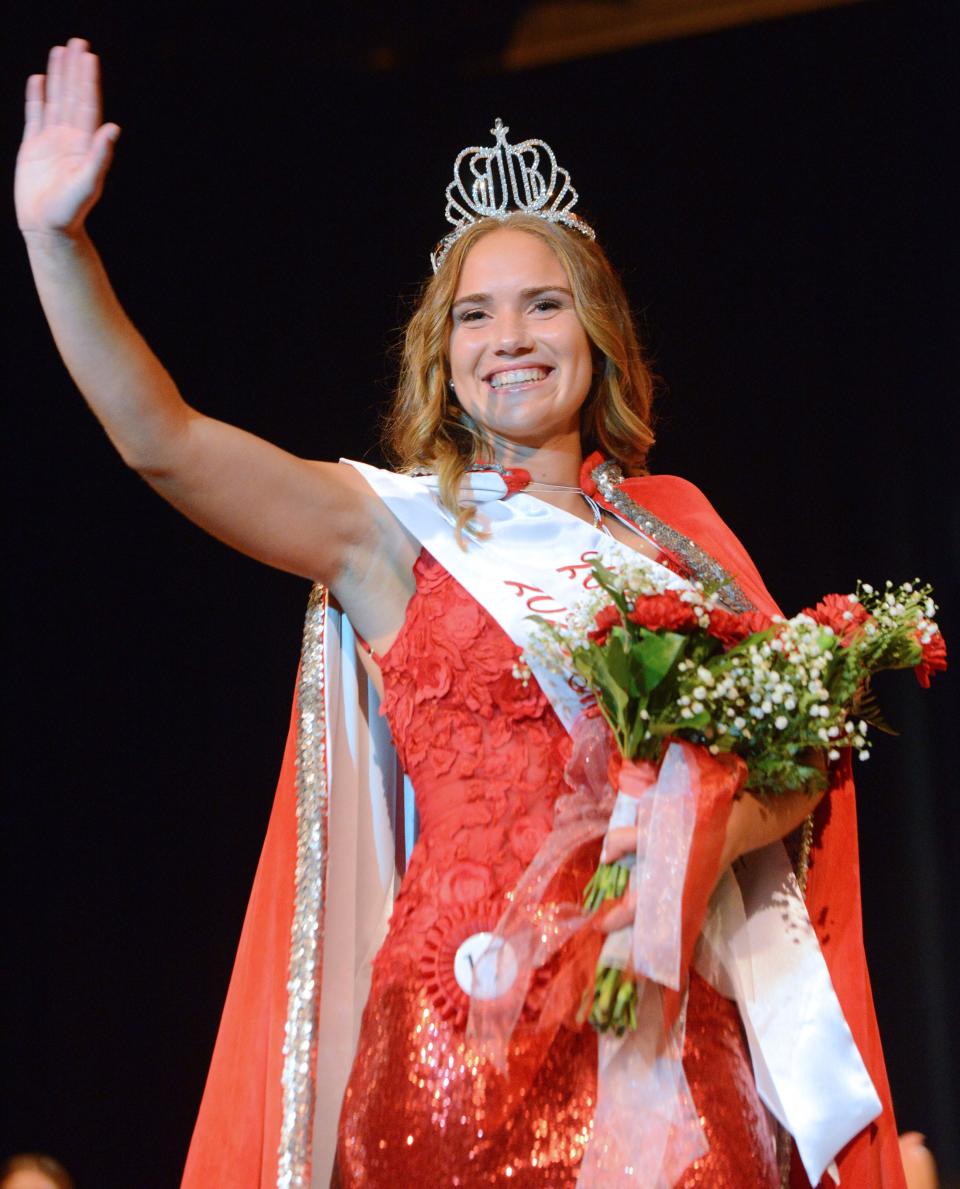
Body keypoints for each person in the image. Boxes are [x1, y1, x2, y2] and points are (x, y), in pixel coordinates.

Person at [17, 37, 911, 1189]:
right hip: (460, 1032)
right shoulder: (387, 533)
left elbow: (798, 771)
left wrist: (709, 838)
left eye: (544, 305)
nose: (512, 341)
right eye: (477, 317)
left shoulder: (677, 530)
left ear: (596, 333)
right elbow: (165, 442)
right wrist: (58, 243)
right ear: (442, 357)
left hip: (669, 1024)